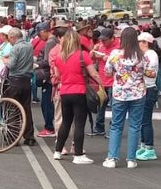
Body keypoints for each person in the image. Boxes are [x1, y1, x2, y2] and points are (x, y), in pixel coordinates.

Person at [52, 30, 103, 164]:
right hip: (79, 91)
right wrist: (101, 84)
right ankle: (78, 154)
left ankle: (57, 151)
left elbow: (57, 74)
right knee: (79, 124)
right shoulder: (83, 55)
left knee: (66, 122)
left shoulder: (59, 57)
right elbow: (93, 73)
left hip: (65, 92)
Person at [103, 27, 149, 170]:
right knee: (135, 126)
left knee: (116, 125)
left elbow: (108, 72)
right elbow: (147, 72)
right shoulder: (142, 55)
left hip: (120, 93)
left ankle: (112, 158)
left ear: (121, 39)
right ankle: (131, 159)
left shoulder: (115, 54)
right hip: (138, 93)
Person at [3, 27, 37, 146]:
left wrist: (4, 60)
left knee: (12, 108)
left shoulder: (15, 48)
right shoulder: (29, 46)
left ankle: (13, 136)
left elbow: (11, 65)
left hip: (15, 80)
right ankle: (29, 136)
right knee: (26, 108)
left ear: (12, 37)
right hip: (26, 80)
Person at [89, 27, 118, 136]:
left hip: (113, 81)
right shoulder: (100, 46)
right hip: (102, 80)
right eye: (101, 40)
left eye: (105, 40)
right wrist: (93, 51)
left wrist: (109, 58)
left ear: (112, 38)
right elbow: (91, 58)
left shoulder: (118, 47)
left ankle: (113, 130)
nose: (102, 42)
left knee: (115, 107)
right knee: (100, 105)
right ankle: (99, 128)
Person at [136, 32, 160, 161]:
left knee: (145, 120)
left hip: (149, 89)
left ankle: (150, 148)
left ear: (146, 42)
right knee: (141, 120)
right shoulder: (145, 54)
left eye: (140, 41)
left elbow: (151, 73)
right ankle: (143, 145)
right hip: (142, 88)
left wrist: (138, 69)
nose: (138, 44)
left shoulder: (151, 55)